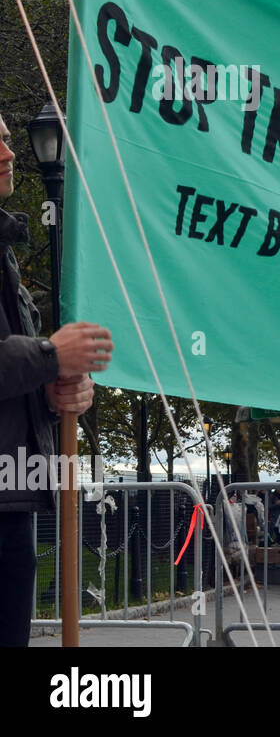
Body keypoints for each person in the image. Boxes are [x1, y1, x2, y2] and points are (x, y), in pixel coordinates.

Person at [0, 114, 113, 647]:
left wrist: (54, 396)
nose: (8, 152)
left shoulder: (7, 255)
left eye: (5, 139)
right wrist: (50, 354)